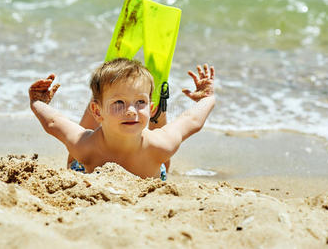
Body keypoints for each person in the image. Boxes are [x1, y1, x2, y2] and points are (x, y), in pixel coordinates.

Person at [29, 58, 215, 179]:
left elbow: (192, 120)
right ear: (97, 112)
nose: (131, 111)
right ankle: (104, 102)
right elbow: (53, 122)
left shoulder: (161, 144)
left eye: (140, 102)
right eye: (119, 102)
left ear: (150, 108)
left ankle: (153, 107)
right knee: (73, 160)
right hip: (87, 165)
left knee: (164, 161)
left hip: (152, 165)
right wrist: (37, 102)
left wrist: (207, 97)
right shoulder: (85, 146)